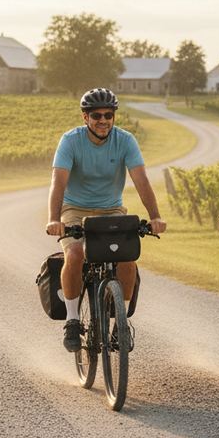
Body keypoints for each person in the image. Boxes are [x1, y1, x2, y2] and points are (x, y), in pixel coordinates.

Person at [46, 88, 167, 352]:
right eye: (96, 115)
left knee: (127, 258)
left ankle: (119, 324)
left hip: (111, 210)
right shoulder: (71, 141)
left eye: (108, 115)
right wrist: (54, 219)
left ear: (114, 116)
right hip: (75, 209)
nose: (103, 120)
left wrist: (155, 215)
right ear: (85, 118)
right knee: (75, 254)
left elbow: (141, 180)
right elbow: (58, 182)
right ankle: (73, 320)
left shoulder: (125, 141)